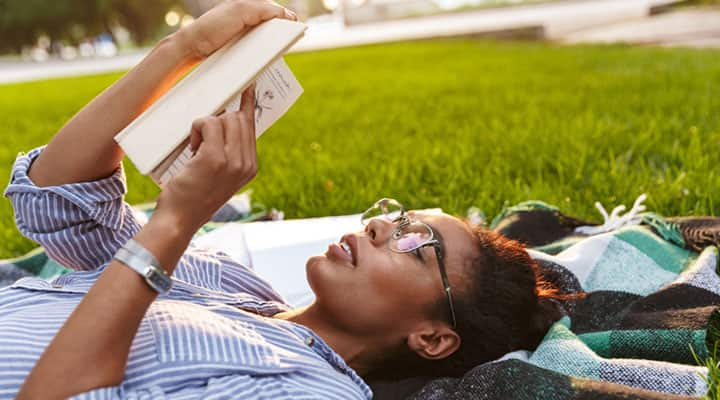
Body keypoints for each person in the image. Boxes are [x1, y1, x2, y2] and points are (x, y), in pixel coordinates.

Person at [0, 1, 563, 398]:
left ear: (432, 339)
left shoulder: (307, 387)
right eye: (396, 217)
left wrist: (174, 222)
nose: (380, 228)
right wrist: (184, 49)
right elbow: (57, 198)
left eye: (416, 243)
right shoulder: (237, 286)